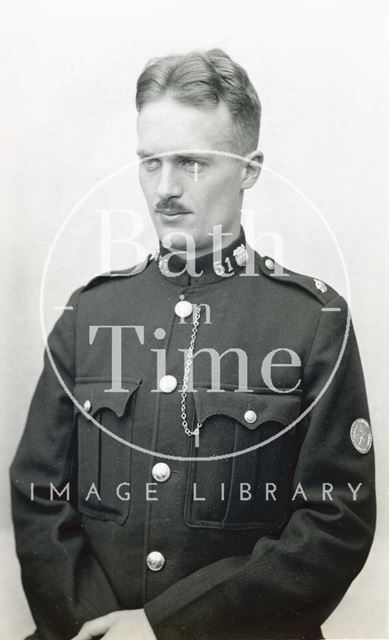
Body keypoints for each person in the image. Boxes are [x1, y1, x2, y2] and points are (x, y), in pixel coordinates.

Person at [10, 49, 376, 640]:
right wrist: (95, 627)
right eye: (150, 162)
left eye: (192, 163)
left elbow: (335, 524)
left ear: (250, 168)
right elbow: (38, 492)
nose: (165, 188)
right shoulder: (90, 312)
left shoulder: (313, 322)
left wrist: (166, 629)